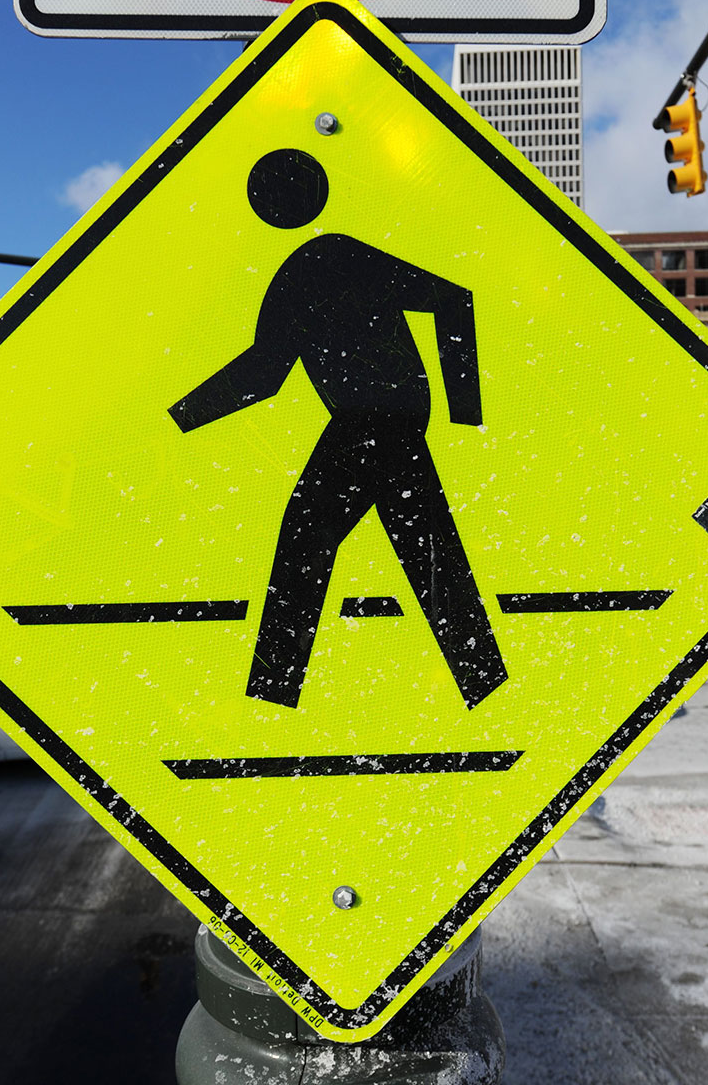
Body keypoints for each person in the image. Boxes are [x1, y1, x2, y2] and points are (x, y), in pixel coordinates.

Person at [169, 148, 507, 711]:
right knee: (410, 553)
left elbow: (452, 299)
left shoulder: (334, 257)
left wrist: (465, 412)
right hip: (369, 425)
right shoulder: (298, 274)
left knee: (313, 546)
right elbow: (266, 372)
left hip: (380, 423)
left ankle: (272, 697)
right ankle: (485, 684)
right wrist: (179, 418)